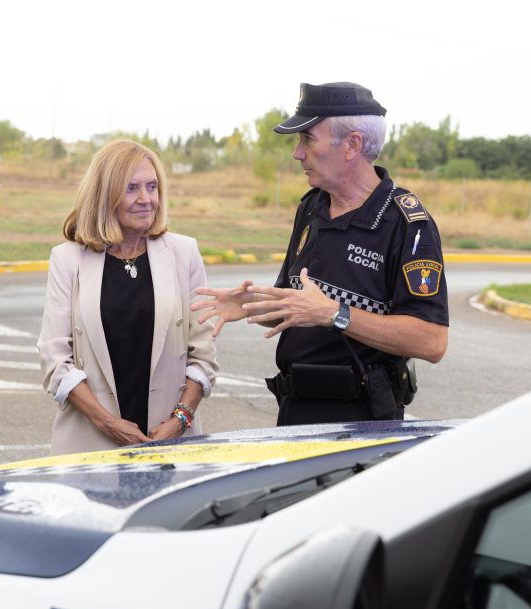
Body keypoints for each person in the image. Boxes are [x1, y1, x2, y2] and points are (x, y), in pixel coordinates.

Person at [192, 82, 449, 425]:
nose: (298, 153)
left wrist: (335, 314)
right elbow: (299, 304)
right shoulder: (312, 206)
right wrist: (251, 303)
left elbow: (432, 340)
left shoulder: (407, 224)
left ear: (352, 145)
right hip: (295, 408)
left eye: (308, 139)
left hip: (364, 421)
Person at [38, 139, 218, 454]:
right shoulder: (67, 259)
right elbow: (55, 360)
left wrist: (180, 420)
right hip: (89, 445)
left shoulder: (184, 253)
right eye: (131, 188)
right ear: (104, 195)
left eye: (152, 186)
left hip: (171, 443)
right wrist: (107, 423)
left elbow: (202, 355)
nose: (146, 199)